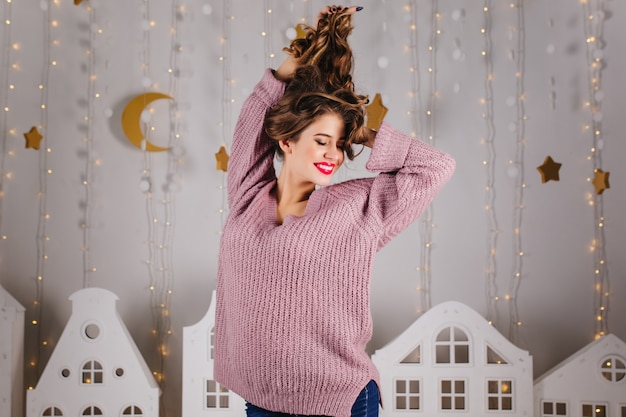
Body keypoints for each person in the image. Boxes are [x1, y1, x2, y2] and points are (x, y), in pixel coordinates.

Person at [214, 5, 455, 417]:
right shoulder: (248, 195)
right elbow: (255, 115)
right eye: (322, 141)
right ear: (287, 142)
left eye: (340, 145)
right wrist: (294, 58)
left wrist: (359, 129)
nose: (334, 155)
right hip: (261, 398)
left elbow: (436, 167)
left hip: (338, 401)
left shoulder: (357, 207)